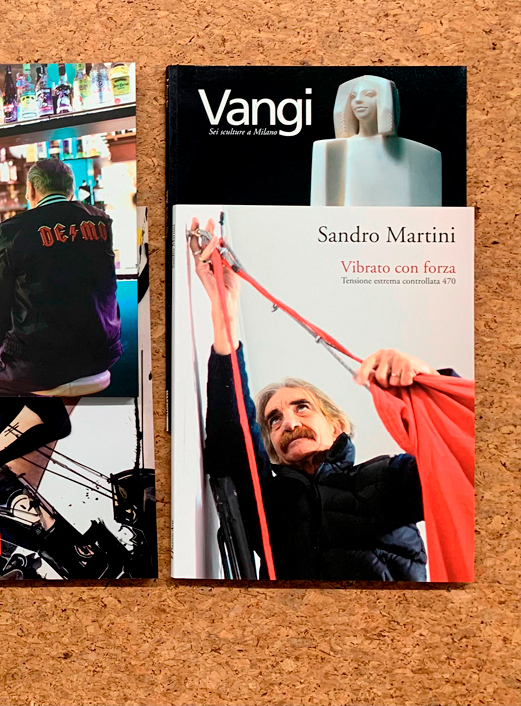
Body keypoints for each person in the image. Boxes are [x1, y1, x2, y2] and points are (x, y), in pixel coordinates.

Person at [189, 217, 446, 581]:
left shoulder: (388, 478)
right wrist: (224, 309)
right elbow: (234, 434)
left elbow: (456, 461)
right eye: (274, 420)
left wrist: (431, 379)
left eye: (302, 407)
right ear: (273, 449)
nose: (289, 423)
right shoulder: (268, 500)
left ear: (337, 425)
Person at [0, 158, 122, 397]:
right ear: (71, 190)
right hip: (103, 353)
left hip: (38, 361)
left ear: (31, 190)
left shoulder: (12, 230)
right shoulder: (101, 221)